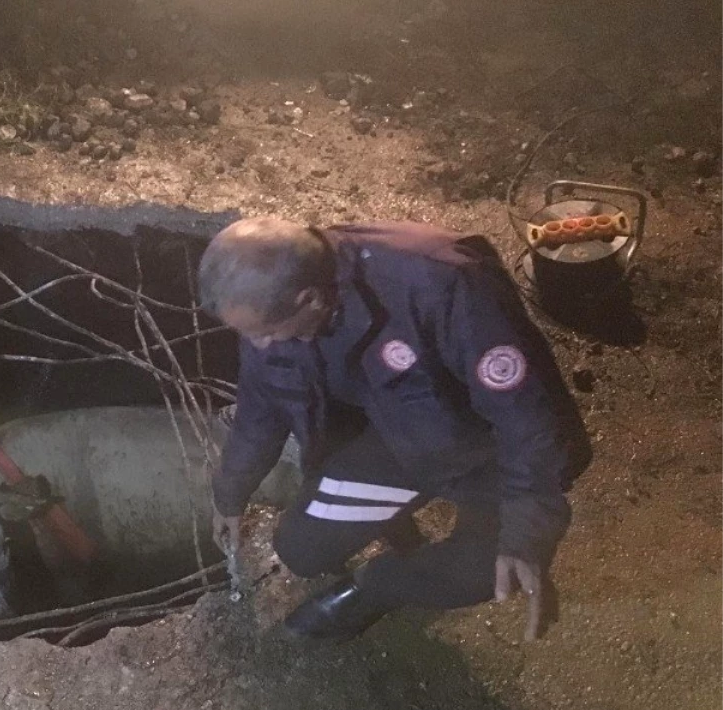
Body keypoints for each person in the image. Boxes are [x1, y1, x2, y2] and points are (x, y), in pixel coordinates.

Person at [200, 216, 591, 642]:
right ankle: (396, 525)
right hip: (401, 443)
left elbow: (525, 413)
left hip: (486, 452)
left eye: (265, 333)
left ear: (308, 299)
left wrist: (527, 524)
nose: (256, 346)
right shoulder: (271, 315)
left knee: (494, 570)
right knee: (301, 550)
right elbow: (260, 408)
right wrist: (230, 492)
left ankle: (378, 586)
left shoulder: (437, 283)